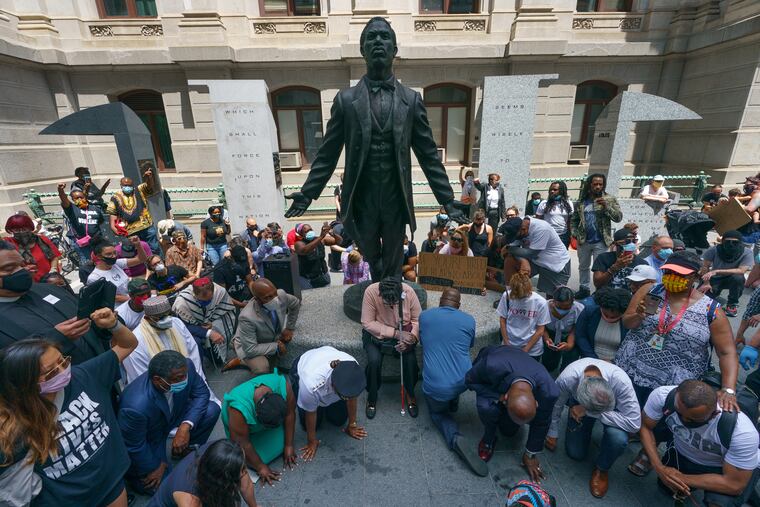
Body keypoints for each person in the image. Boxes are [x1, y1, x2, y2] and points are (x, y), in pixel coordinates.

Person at [284, 17, 467, 282]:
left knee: (394, 253)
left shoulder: (411, 99)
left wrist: (447, 199)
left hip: (395, 193)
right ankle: (381, 285)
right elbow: (328, 152)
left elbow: (428, 153)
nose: (378, 41)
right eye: (371, 37)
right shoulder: (346, 100)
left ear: (394, 49)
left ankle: (390, 287)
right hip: (362, 194)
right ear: (362, 50)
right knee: (370, 252)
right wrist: (308, 193)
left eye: (384, 37)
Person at [617, 249, 739, 479]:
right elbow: (628, 322)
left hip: (675, 378)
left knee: (667, 415)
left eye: (680, 274)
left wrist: (729, 389)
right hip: (635, 366)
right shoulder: (649, 290)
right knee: (633, 406)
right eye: (669, 272)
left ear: (695, 276)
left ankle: (649, 451)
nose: (673, 278)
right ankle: (629, 432)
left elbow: (726, 352)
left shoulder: (711, 310)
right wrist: (639, 315)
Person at [0, 308, 137, 507]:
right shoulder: (14, 422)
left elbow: (127, 344)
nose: (63, 371)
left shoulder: (84, 375)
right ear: (25, 383)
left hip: (110, 484)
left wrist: (114, 325)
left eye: (63, 361)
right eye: (51, 372)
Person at [639, 380, 760, 505]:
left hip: (722, 467)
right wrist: (659, 468)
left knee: (720, 503)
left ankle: (748, 484)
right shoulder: (663, 395)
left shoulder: (742, 432)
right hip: (684, 453)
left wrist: (679, 478)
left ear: (714, 414)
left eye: (692, 420)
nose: (683, 420)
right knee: (667, 488)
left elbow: (734, 485)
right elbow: (645, 427)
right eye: (679, 413)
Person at [118, 351, 221, 494]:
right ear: (157, 380)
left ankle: (183, 450)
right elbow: (134, 445)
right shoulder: (135, 406)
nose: (185, 380)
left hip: (174, 415)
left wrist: (185, 426)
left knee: (211, 410)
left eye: (185, 375)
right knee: (162, 486)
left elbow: (202, 394)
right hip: (151, 436)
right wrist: (155, 466)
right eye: (179, 378)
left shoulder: (185, 367)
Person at [0, 240, 111, 362]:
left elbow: (89, 321)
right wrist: (55, 339)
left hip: (106, 364)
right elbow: (9, 364)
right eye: (9, 268)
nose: (21, 271)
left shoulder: (49, 289)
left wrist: (106, 324)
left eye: (22, 265)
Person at [545, 358, 641, 498]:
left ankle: (602, 469)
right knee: (575, 453)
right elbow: (556, 403)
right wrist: (552, 431)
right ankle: (577, 416)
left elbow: (634, 424)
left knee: (618, 438)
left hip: (611, 412)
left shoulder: (621, 382)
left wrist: (590, 412)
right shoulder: (569, 377)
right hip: (580, 405)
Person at [419, 288, 487, 476]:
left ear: (441, 301)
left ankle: (454, 437)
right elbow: (470, 345)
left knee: (437, 413)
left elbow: (423, 342)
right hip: (464, 380)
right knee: (453, 379)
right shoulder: (469, 320)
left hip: (436, 386)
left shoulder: (425, 316)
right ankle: (453, 401)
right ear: (458, 305)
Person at [465, 345, 559, 481]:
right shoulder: (490, 365)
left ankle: (507, 420)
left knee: (508, 431)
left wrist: (530, 454)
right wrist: (497, 397)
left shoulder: (550, 392)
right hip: (491, 375)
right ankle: (489, 437)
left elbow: (542, 422)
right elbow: (470, 380)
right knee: (486, 407)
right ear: (506, 399)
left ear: (537, 403)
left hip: (517, 368)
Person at [122, 296, 216, 397]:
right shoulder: (137, 341)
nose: (167, 319)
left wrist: (196, 381)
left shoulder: (176, 323)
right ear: (147, 318)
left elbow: (193, 355)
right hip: (161, 392)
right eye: (161, 317)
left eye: (168, 314)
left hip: (189, 381)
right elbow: (142, 376)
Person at [289, 346, 367, 461]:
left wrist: (352, 425)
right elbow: (311, 413)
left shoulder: (352, 367)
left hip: (325, 358)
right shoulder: (310, 384)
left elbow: (352, 397)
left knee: (339, 420)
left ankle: (325, 406)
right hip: (302, 368)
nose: (348, 398)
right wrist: (312, 441)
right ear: (333, 385)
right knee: (309, 425)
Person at [222, 369, 297, 484]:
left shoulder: (283, 387)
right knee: (253, 459)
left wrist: (289, 445)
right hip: (241, 432)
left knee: (282, 446)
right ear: (256, 416)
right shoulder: (238, 411)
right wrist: (261, 467)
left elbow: (290, 414)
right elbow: (242, 442)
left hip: (269, 418)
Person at [361, 277, 421, 418]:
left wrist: (411, 338)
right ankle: (372, 396)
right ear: (380, 294)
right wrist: (395, 334)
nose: (392, 304)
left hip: (404, 332)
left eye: (395, 301)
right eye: (388, 302)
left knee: (411, 361)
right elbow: (367, 322)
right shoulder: (370, 292)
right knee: (374, 361)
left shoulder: (409, 292)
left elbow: (417, 320)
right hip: (376, 334)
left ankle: (410, 393)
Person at [149, 439, 257, 507]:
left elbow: (246, 485)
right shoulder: (189, 500)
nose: (245, 472)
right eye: (243, 469)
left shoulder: (221, 452)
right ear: (222, 477)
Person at [228, 278, 300, 375]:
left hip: (267, 337)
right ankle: (242, 360)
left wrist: (289, 328)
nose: (275, 299)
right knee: (261, 368)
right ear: (257, 299)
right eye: (267, 297)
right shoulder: (247, 316)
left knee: (273, 366)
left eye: (275, 293)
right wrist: (276, 346)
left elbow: (295, 303)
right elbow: (250, 349)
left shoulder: (281, 295)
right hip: (248, 344)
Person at [571, 173, 623, 299]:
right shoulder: (582, 201)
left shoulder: (609, 199)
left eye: (600, 184)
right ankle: (584, 288)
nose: (598, 187)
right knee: (583, 266)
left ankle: (599, 290)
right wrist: (575, 233)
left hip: (601, 240)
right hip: (584, 240)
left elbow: (618, 218)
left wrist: (606, 206)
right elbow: (574, 219)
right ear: (590, 185)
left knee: (600, 267)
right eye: (595, 184)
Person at [500, 215, 572, 295]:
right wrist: (522, 260)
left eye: (515, 237)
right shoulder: (518, 223)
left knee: (554, 297)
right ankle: (509, 295)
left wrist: (509, 249)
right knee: (510, 260)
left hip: (555, 264)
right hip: (536, 260)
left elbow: (531, 253)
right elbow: (516, 248)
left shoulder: (542, 229)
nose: (514, 239)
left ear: (523, 229)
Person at [173, 278, 236, 364]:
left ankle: (229, 342)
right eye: (202, 301)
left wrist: (213, 323)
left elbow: (227, 310)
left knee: (225, 321)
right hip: (194, 327)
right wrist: (208, 333)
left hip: (213, 321)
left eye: (210, 299)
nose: (207, 302)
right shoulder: (182, 302)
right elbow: (183, 326)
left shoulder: (219, 292)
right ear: (194, 294)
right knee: (214, 358)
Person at [107, 163, 160, 254]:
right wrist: (115, 229)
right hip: (130, 231)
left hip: (146, 227)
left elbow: (149, 186)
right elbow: (113, 216)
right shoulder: (115, 197)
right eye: (125, 185)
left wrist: (149, 178)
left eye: (129, 185)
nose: (127, 187)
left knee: (154, 249)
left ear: (133, 185)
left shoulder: (139, 190)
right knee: (138, 252)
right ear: (121, 185)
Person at [496, 272, 551, 360]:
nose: (520, 298)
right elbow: (502, 320)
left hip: (532, 350)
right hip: (509, 344)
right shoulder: (507, 296)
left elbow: (540, 330)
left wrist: (525, 350)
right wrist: (506, 342)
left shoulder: (540, 302)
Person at [699, 230, 754, 317]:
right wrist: (706, 283)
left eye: (735, 242)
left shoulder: (747, 252)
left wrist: (717, 271)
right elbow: (705, 266)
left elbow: (741, 270)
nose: (731, 245)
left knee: (738, 278)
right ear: (722, 241)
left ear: (740, 243)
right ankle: (715, 291)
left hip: (731, 278)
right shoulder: (714, 249)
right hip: (715, 278)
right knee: (701, 302)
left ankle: (732, 304)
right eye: (728, 242)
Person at [575, 286, 631, 362]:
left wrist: (613, 362)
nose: (609, 318)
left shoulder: (629, 321)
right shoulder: (589, 312)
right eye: (605, 315)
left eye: (614, 317)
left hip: (616, 362)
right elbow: (581, 336)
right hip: (589, 358)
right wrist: (594, 359)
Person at [87, 237, 148, 303]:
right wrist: (135, 300)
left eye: (114, 253)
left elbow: (141, 259)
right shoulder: (94, 277)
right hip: (121, 306)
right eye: (109, 254)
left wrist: (138, 245)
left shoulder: (116, 264)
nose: (113, 256)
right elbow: (112, 297)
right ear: (99, 256)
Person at [4, 214, 61, 283]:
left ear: (30, 228)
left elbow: (54, 257)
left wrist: (53, 271)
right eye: (16, 230)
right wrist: (22, 270)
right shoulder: (8, 243)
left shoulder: (42, 240)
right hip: (29, 284)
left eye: (24, 229)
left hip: (52, 280)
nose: (21, 232)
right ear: (11, 230)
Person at [57, 181, 105, 262]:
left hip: (96, 241)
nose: (79, 199)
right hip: (82, 243)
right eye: (76, 198)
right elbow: (64, 199)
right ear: (73, 200)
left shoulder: (95, 209)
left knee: (101, 260)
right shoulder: (71, 209)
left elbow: (100, 221)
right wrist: (60, 190)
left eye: (81, 197)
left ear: (85, 197)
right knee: (87, 262)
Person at [541, 286, 584, 373]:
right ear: (553, 301)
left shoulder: (579, 309)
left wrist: (569, 345)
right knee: (548, 365)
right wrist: (546, 339)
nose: (562, 309)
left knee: (570, 360)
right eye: (559, 307)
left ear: (573, 301)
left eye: (567, 307)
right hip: (549, 333)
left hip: (568, 334)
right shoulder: (544, 306)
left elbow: (575, 329)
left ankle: (565, 370)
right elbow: (542, 326)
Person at [294, 223, 338, 289]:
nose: (309, 232)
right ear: (301, 234)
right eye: (306, 231)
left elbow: (339, 241)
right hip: (307, 280)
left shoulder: (321, 240)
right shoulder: (298, 244)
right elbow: (304, 250)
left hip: (323, 276)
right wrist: (321, 237)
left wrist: (333, 234)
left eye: (310, 230)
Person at [536, 181, 574, 247]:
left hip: (563, 236)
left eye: (555, 190)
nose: (552, 191)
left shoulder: (568, 203)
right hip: (547, 235)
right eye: (550, 189)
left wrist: (571, 235)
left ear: (561, 191)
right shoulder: (544, 203)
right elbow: (538, 221)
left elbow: (570, 221)